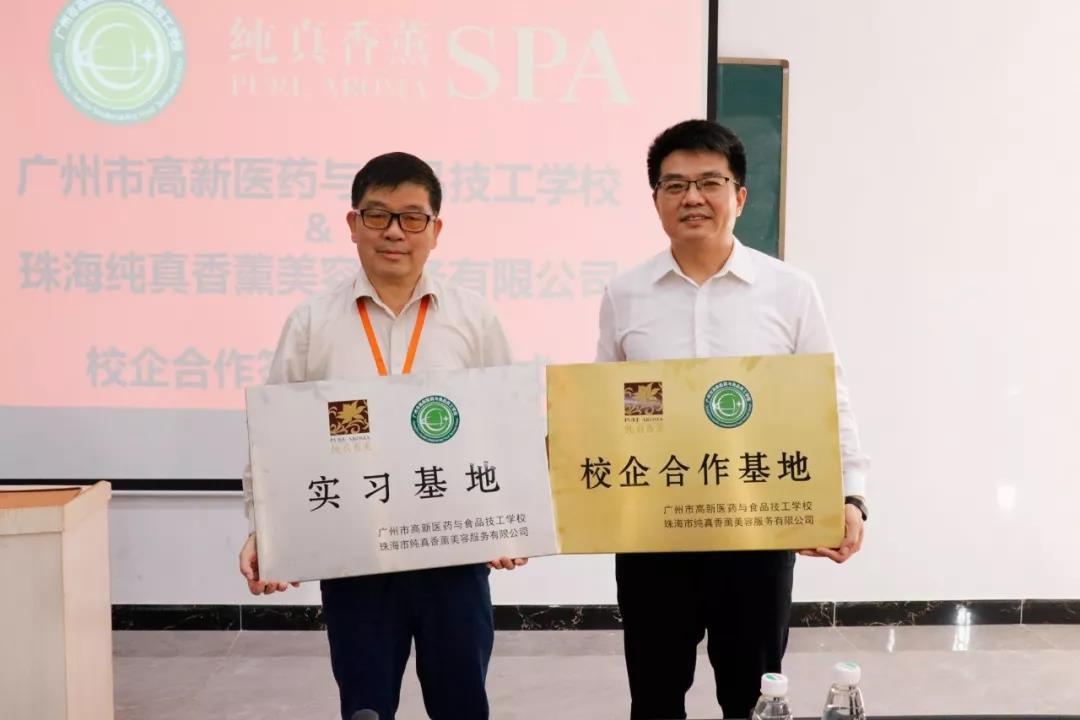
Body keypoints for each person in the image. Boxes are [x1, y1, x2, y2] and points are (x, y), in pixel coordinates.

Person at [595, 119, 870, 719]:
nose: (691, 197)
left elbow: (829, 399)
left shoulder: (789, 289)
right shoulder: (625, 294)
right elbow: (610, 406)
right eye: (674, 185)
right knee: (654, 693)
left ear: (739, 196)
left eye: (709, 182)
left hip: (757, 530)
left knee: (753, 695)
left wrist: (851, 494)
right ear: (656, 200)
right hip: (656, 531)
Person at [237, 152, 526, 720]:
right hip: (355, 553)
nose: (395, 231)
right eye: (378, 215)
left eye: (413, 217)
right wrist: (263, 529)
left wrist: (511, 520)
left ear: (436, 230)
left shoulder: (473, 319)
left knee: (462, 703)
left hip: (453, 551)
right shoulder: (312, 323)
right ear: (353, 224)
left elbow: (505, 425)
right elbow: (274, 441)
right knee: (365, 707)